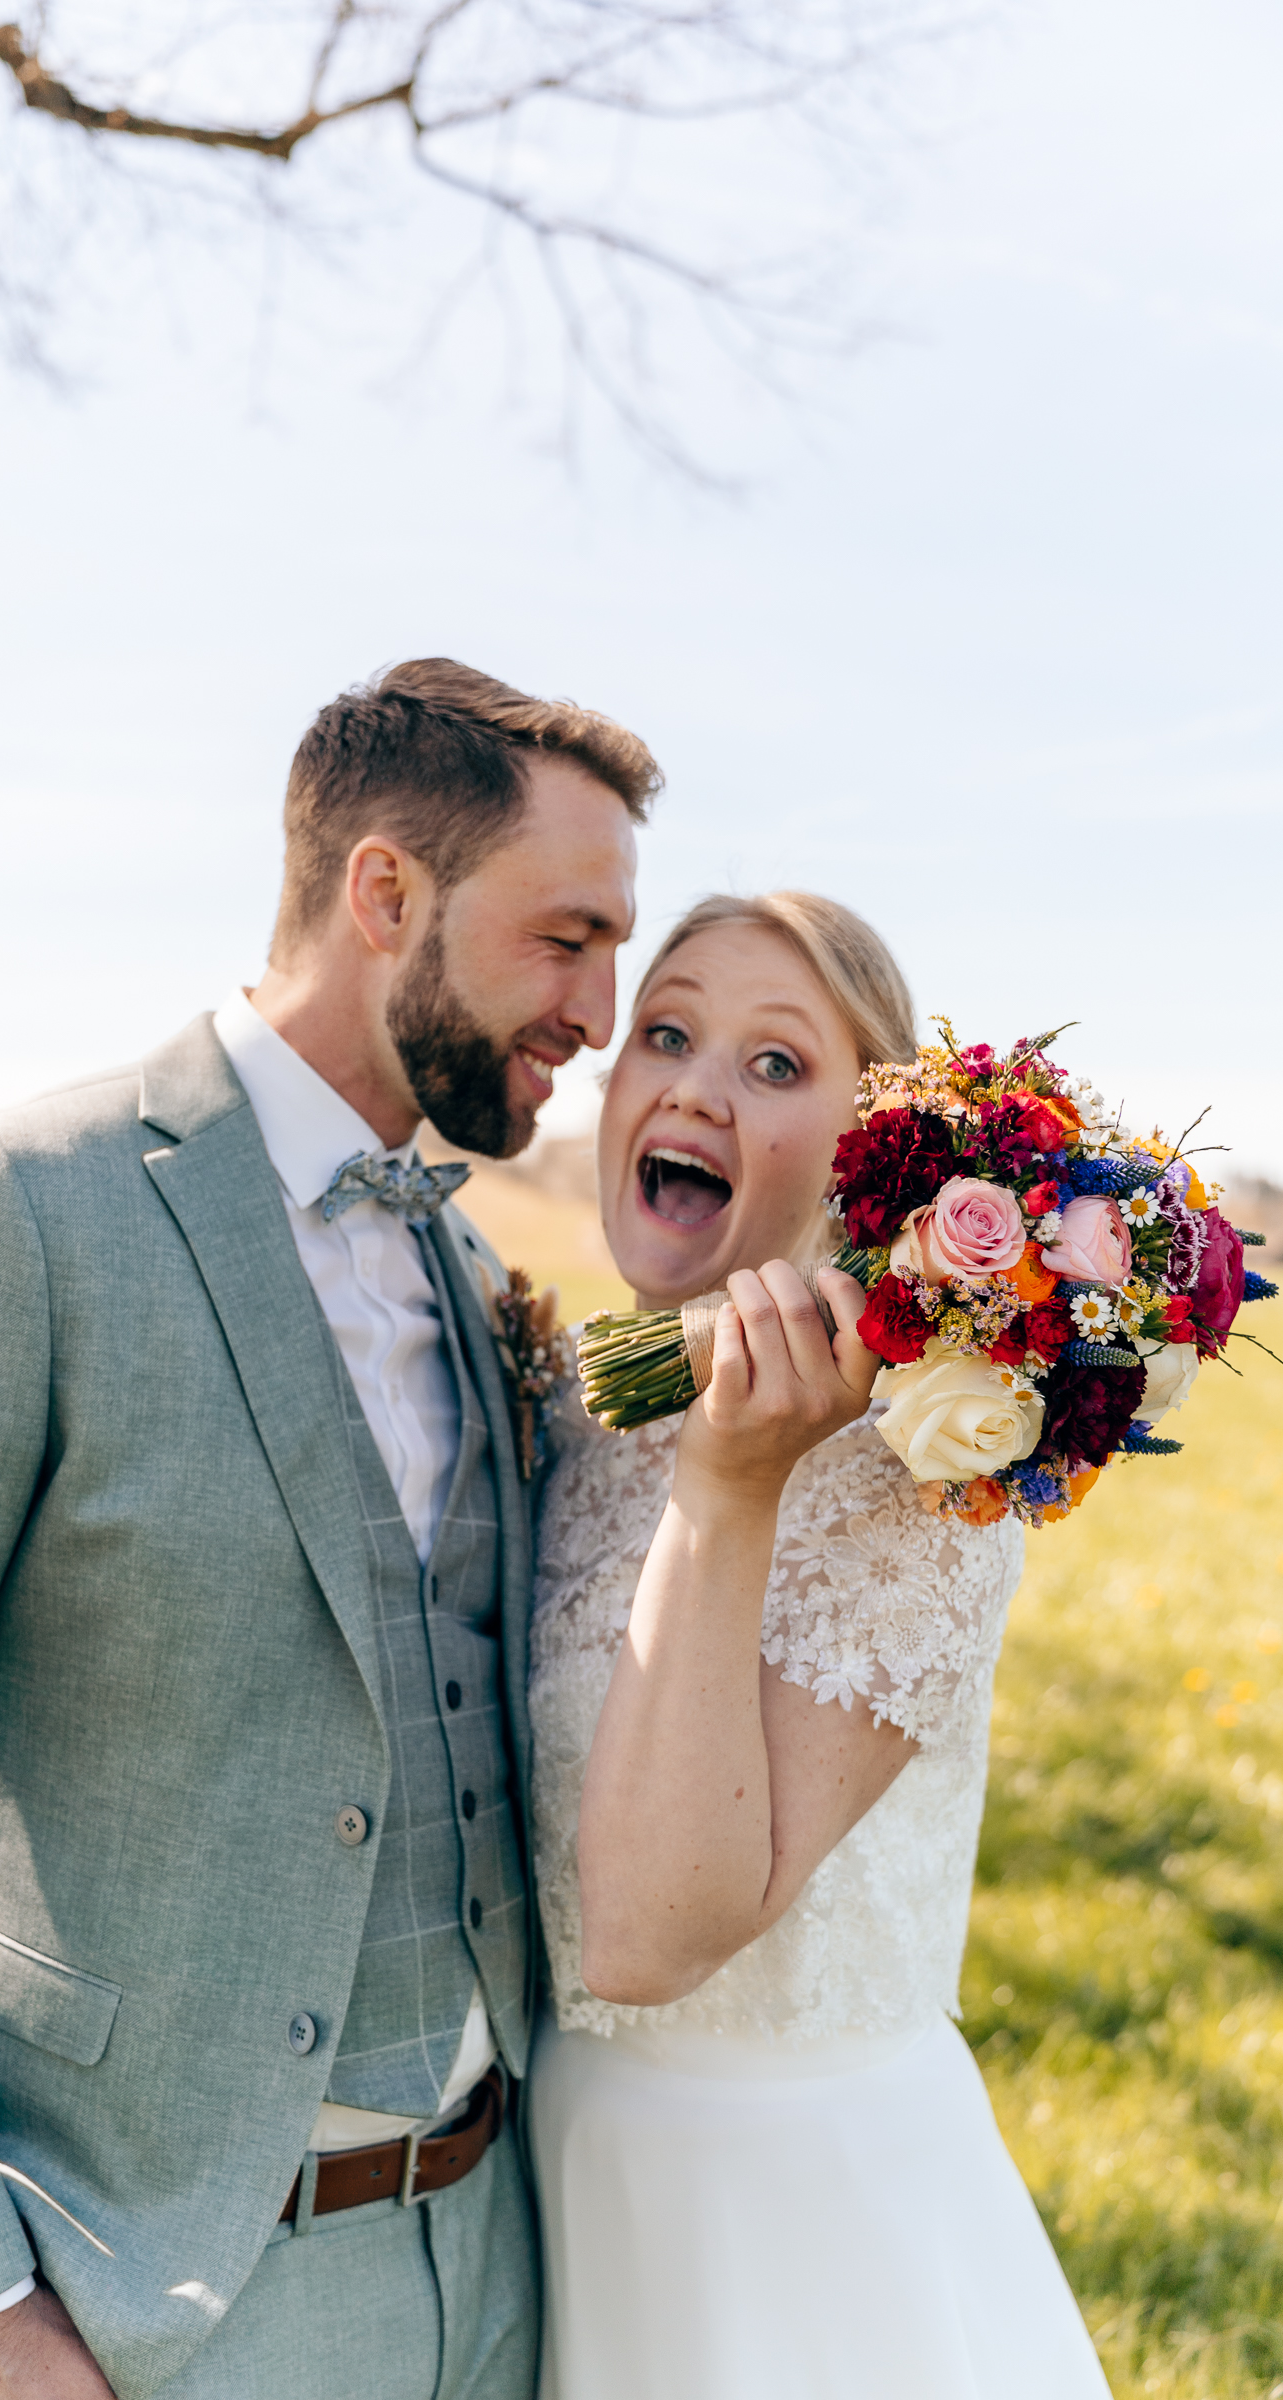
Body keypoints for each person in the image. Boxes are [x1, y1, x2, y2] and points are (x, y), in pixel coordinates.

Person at [0, 659, 658, 2400]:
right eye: (567, 938)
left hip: (508, 2258)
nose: (600, 1011)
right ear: (387, 891)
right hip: (162, 2297)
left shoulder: (464, 1264)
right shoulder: (21, 1211)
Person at [528, 892, 1111, 2400]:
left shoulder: (922, 1484)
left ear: (879, 1156)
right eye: (664, 1032)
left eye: (776, 1064)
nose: (694, 1086)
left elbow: (650, 1940)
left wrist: (731, 1493)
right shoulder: (571, 1414)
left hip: (799, 2239)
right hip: (548, 2198)